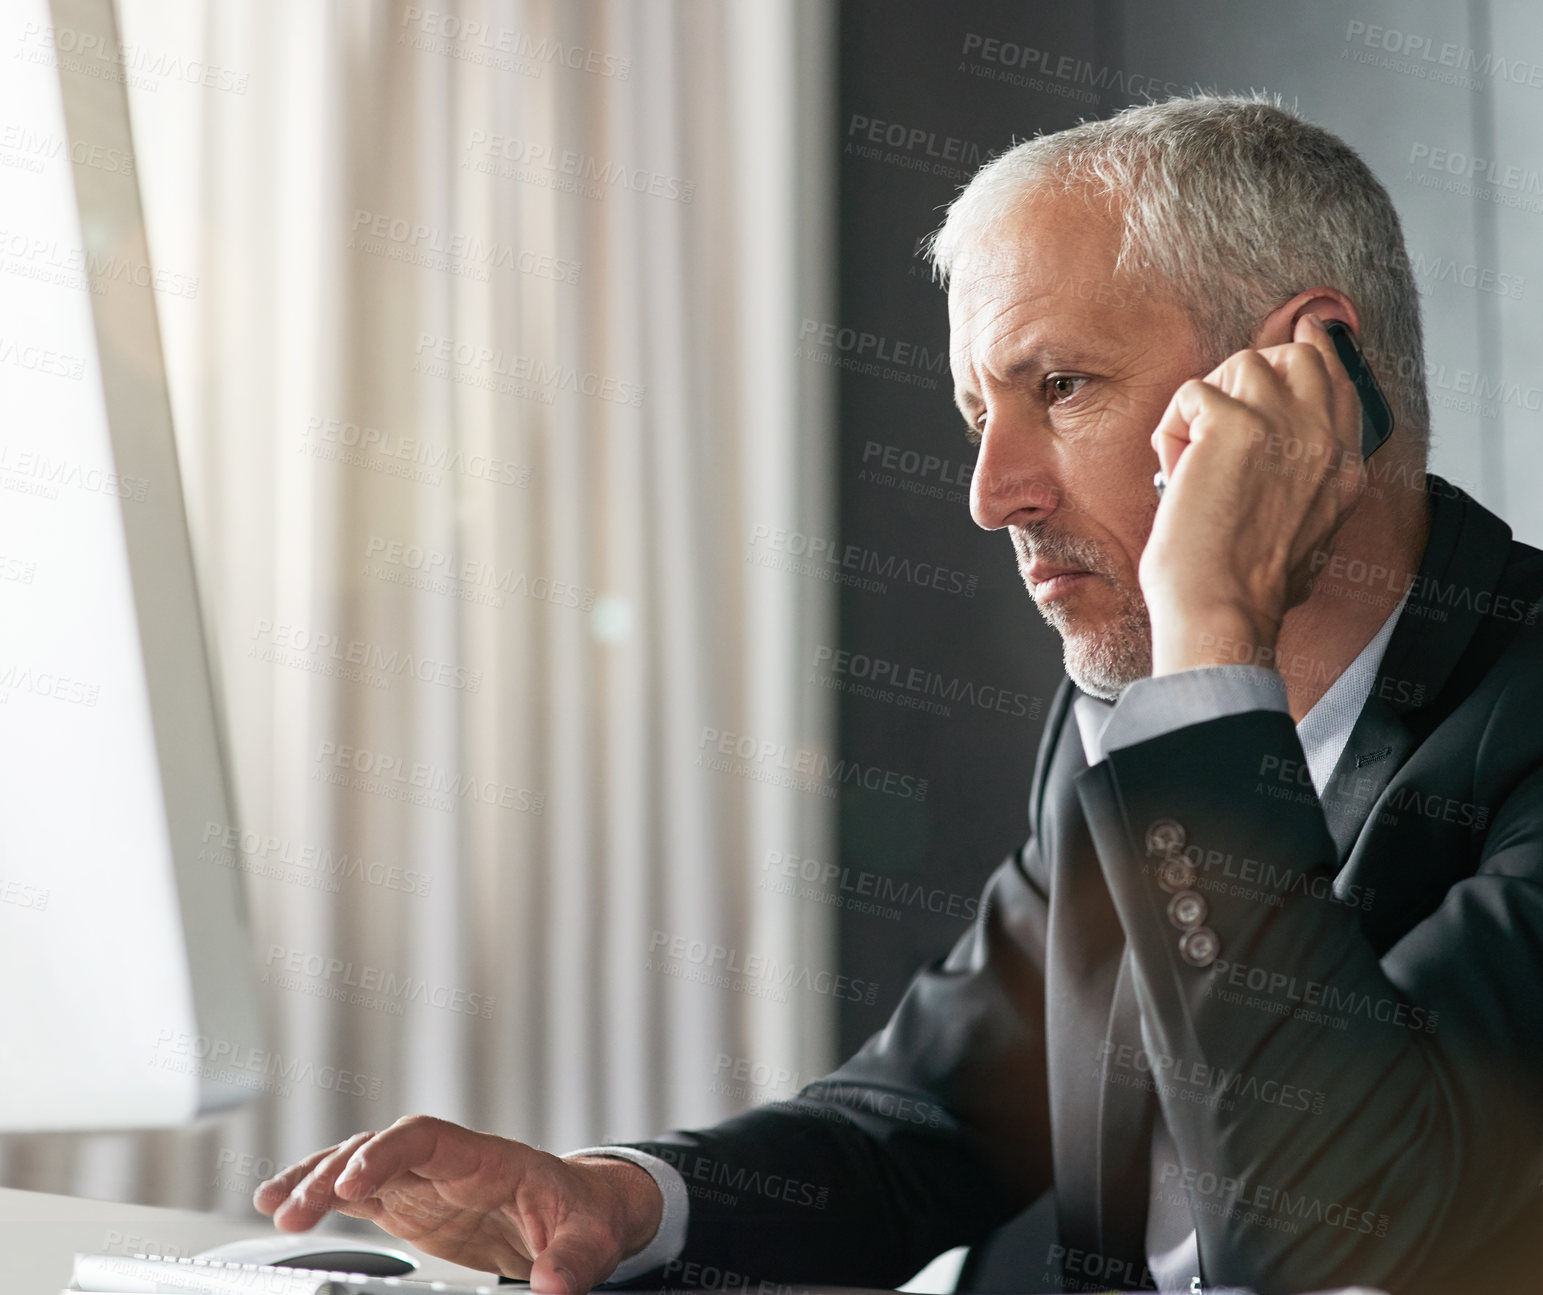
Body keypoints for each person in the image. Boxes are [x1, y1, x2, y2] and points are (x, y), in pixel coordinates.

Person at [253, 95, 1543, 1295]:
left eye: (1063, 388)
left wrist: (1212, 642)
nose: (996, 494)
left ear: (1314, 372)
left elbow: (1338, 1217)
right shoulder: (1131, 714)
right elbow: (935, 1119)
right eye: (978, 413)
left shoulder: (1211, 703)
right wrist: (614, 1202)